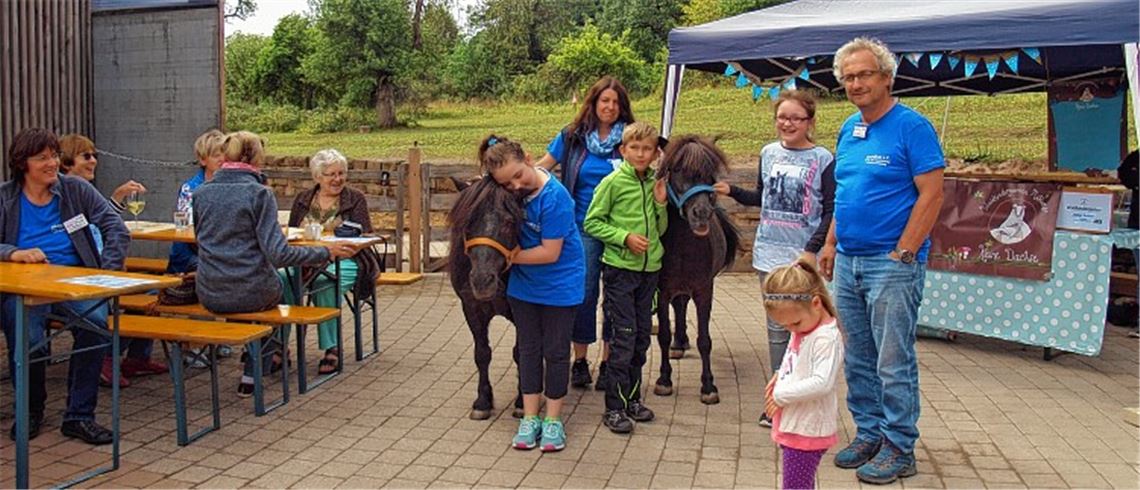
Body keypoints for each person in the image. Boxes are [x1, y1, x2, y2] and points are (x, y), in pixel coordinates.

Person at [819, 37, 945, 484]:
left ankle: (899, 445)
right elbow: (844, 194)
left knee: (893, 359)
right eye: (848, 77)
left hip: (891, 263)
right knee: (857, 357)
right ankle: (869, 433)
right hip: (849, 260)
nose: (856, 83)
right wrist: (831, 243)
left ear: (886, 77)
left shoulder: (912, 127)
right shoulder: (848, 129)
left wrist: (905, 251)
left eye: (864, 74)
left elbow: (932, 193)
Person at [192, 131, 355, 396]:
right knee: (279, 285)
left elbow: (200, 239)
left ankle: (265, 358)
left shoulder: (200, 193)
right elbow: (279, 254)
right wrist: (325, 252)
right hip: (252, 291)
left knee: (270, 285)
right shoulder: (259, 194)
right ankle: (256, 367)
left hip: (209, 291)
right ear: (255, 156)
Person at [0, 128, 130, 444]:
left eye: (54, 156)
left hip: (74, 282)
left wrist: (106, 275)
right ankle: (30, 411)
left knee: (98, 325)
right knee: (28, 337)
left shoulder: (74, 190)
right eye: (42, 158)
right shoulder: (5, 197)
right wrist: (13, 252)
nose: (51, 163)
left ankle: (79, 416)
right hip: (23, 287)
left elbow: (116, 228)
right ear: (22, 164)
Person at [714, 90, 835, 428]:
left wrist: (812, 249)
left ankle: (803, 396)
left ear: (810, 122)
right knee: (777, 329)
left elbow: (829, 210)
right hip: (768, 256)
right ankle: (777, 399)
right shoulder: (768, 153)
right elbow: (763, 197)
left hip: (802, 259)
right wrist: (733, 192)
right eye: (783, 117)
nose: (788, 123)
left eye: (796, 118)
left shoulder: (823, 158)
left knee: (808, 327)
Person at [481, 134, 584, 452]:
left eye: (517, 176)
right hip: (524, 288)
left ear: (528, 158)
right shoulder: (507, 193)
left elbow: (549, 253)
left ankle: (553, 420)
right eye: (505, 183)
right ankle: (530, 417)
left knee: (555, 352)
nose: (514, 186)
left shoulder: (555, 197)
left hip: (559, 286)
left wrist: (508, 257)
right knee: (527, 351)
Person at [536, 76, 635, 390]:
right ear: (593, 103)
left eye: (615, 102)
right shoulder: (572, 136)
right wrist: (514, 175)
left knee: (617, 299)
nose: (609, 107)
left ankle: (608, 361)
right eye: (604, 101)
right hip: (582, 229)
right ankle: (579, 359)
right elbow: (544, 168)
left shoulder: (629, 139)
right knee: (585, 295)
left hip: (622, 229)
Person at [58, 134, 165, 388]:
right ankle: (106, 354)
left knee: (151, 288)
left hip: (98, 269)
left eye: (94, 155)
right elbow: (83, 230)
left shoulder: (83, 191)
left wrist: (116, 199)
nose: (93, 161)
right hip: (84, 278)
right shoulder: (66, 195)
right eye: (86, 156)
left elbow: (95, 225)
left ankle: (136, 357)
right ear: (66, 163)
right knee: (147, 292)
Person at [583, 122, 667, 434]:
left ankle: (632, 399)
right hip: (620, 270)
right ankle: (613, 408)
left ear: (656, 152)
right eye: (635, 148)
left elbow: (660, 230)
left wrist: (660, 203)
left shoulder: (656, 182)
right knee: (624, 337)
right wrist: (623, 237)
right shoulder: (613, 183)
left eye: (648, 148)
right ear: (623, 150)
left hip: (650, 272)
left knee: (642, 338)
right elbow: (592, 222)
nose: (642, 153)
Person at [286, 148, 381, 375]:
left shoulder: (354, 198)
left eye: (341, 173)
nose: (337, 179)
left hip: (348, 258)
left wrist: (336, 250)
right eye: (331, 174)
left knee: (325, 281)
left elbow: (364, 234)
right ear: (318, 177)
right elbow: (292, 233)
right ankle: (278, 345)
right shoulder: (303, 199)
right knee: (282, 278)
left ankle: (332, 347)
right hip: (307, 258)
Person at [762, 260, 844, 490]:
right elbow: (793, 357)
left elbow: (822, 382)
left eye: (795, 322)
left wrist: (780, 395)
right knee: (800, 484)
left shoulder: (825, 338)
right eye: (786, 326)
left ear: (816, 303)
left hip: (808, 427)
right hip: (796, 422)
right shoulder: (805, 328)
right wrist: (780, 374)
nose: (792, 329)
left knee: (795, 486)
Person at [168, 129, 231, 368]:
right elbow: (188, 229)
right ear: (203, 159)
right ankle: (193, 343)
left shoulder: (229, 186)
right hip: (189, 253)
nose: (222, 160)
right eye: (216, 155)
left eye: (225, 154)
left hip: (216, 251)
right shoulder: (190, 188)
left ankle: (217, 333)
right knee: (209, 273)